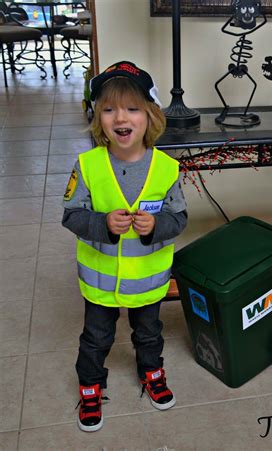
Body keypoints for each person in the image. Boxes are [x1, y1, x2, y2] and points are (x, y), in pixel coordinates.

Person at [62, 61, 187, 433]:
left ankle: (152, 372)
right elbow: (71, 215)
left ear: (150, 116)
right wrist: (101, 224)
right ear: (97, 117)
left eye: (133, 108)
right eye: (109, 109)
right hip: (100, 285)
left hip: (147, 283)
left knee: (149, 332)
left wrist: (155, 226)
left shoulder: (167, 169)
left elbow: (178, 219)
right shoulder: (87, 166)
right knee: (96, 337)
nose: (121, 117)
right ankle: (90, 385)